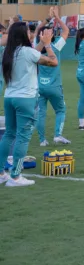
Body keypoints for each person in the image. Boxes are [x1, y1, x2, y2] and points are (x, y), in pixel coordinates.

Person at [0, 24, 58, 187]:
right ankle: (16, 177)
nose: (31, 33)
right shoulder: (28, 52)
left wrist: (42, 42)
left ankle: (1, 173)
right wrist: (47, 45)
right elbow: (54, 62)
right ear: (22, 35)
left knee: (9, 134)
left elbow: (32, 54)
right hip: (26, 100)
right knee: (23, 137)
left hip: (10, 97)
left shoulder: (9, 52)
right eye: (28, 31)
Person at [36, 7, 71, 146]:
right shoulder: (55, 48)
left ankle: (42, 140)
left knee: (41, 113)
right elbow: (66, 31)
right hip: (55, 86)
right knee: (61, 110)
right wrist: (57, 17)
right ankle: (57, 135)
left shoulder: (36, 50)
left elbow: (39, 28)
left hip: (40, 86)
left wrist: (48, 18)